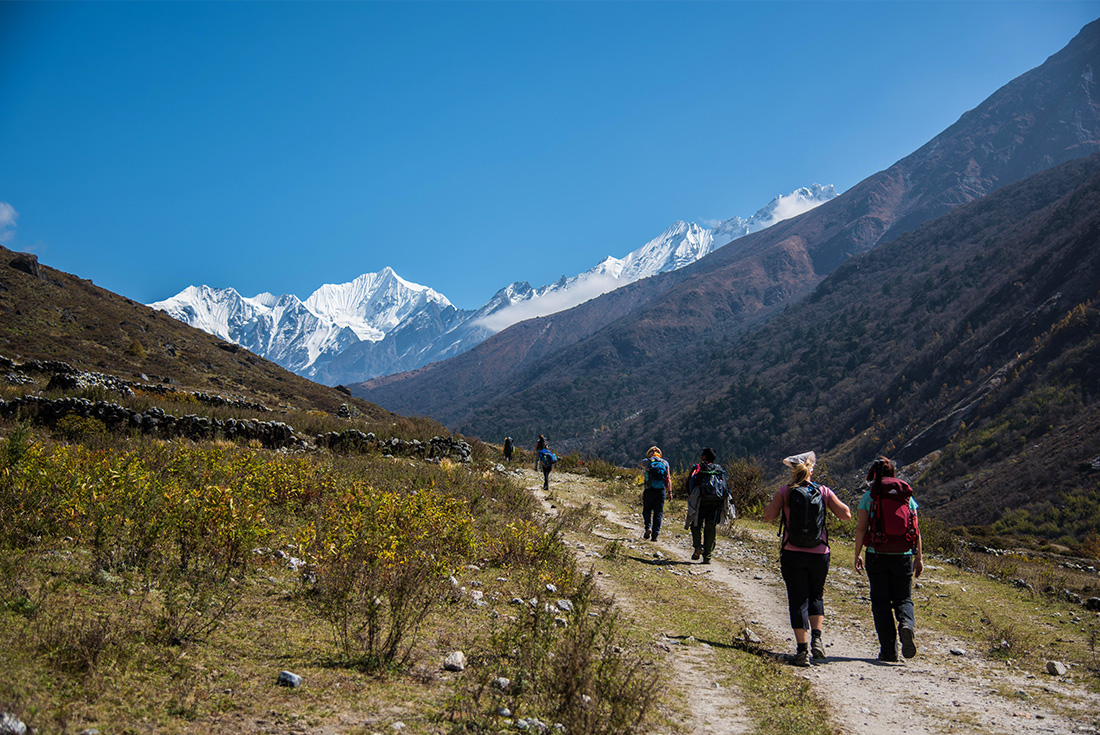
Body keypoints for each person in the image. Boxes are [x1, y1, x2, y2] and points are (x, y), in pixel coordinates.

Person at [763, 450, 851, 667]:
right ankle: (817, 642)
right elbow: (846, 514)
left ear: (793, 471)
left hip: (792, 553)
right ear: (811, 470)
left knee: (797, 599)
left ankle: (802, 652)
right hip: (819, 554)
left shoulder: (785, 491)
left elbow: (768, 516)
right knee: (816, 596)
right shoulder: (823, 491)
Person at [853, 456, 924, 662]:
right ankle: (906, 625)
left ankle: (889, 651)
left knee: (881, 602)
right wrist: (919, 558)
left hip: (877, 554)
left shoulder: (869, 497)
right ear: (893, 474)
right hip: (903, 555)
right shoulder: (906, 497)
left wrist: (857, 553)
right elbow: (916, 530)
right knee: (904, 598)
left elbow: (861, 528)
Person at [684, 447, 728, 564]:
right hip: (715, 503)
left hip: (700, 502)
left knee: (696, 525)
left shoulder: (698, 469)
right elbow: (725, 487)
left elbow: (690, 484)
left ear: (704, 457)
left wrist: (692, 498)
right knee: (710, 528)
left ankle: (698, 546)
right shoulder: (719, 470)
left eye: (702, 454)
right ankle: (707, 556)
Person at [640, 446, 671, 541]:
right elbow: (668, 478)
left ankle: (648, 527)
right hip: (661, 491)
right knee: (658, 513)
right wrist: (670, 492)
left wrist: (650, 458)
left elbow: (641, 465)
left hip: (649, 489)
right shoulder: (665, 463)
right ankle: (655, 536)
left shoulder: (647, 461)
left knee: (647, 510)